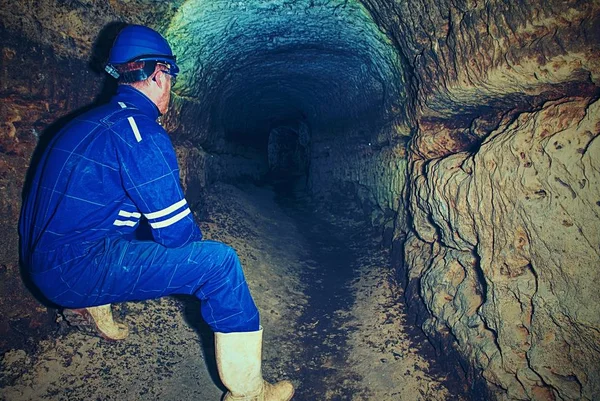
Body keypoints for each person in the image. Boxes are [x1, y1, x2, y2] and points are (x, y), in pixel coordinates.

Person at [19, 24, 294, 401]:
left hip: (40, 258)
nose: (171, 88)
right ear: (159, 74)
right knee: (219, 264)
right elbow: (179, 236)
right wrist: (191, 258)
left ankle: (92, 298)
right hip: (73, 271)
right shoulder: (141, 133)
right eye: (170, 76)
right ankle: (250, 392)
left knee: (124, 214)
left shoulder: (82, 123)